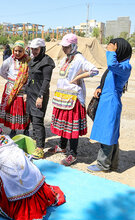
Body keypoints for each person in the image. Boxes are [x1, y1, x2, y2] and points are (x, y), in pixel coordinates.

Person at [49, 33, 99, 166]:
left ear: (73, 46)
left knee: (72, 127)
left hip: (73, 98)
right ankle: (62, 146)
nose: (63, 49)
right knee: (64, 124)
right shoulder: (66, 59)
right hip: (62, 96)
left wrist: (78, 78)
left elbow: (94, 70)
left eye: (66, 46)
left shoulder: (79, 59)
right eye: (63, 46)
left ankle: (73, 153)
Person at [88, 38, 132, 172]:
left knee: (107, 134)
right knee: (109, 133)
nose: (108, 49)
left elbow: (112, 66)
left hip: (111, 103)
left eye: (111, 47)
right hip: (106, 101)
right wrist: (99, 87)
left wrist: (111, 52)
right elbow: (108, 78)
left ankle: (103, 165)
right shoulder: (118, 65)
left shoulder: (125, 66)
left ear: (119, 49)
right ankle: (112, 163)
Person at [24, 38, 55, 159]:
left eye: (36, 49)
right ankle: (37, 142)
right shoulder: (33, 61)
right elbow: (29, 78)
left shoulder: (46, 62)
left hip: (39, 95)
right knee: (32, 119)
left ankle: (40, 148)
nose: (34, 51)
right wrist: (26, 92)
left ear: (42, 49)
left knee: (38, 121)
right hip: (31, 94)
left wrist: (41, 96)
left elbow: (46, 81)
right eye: (32, 49)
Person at [0, 40, 31, 139]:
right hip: (11, 89)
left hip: (24, 90)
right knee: (13, 110)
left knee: (24, 110)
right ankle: (13, 130)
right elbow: (2, 72)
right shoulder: (9, 60)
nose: (17, 53)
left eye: (20, 51)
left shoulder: (28, 61)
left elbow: (30, 76)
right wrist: (12, 81)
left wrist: (21, 83)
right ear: (13, 50)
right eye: (16, 50)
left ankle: (26, 129)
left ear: (24, 51)